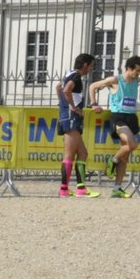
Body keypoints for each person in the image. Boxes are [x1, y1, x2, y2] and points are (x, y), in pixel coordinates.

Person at [89, 55, 140, 198]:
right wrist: (94, 103)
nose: (139, 73)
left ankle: (117, 188)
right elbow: (93, 86)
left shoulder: (135, 81)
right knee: (132, 144)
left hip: (132, 117)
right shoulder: (115, 80)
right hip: (119, 117)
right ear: (129, 68)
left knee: (125, 158)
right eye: (137, 71)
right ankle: (112, 160)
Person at [56, 53, 98, 198]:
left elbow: (59, 87)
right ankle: (64, 189)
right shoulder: (76, 76)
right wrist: (73, 107)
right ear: (85, 64)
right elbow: (66, 90)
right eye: (91, 65)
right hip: (71, 117)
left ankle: (81, 188)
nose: (91, 69)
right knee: (69, 155)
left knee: (83, 153)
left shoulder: (70, 73)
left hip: (68, 115)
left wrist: (62, 104)